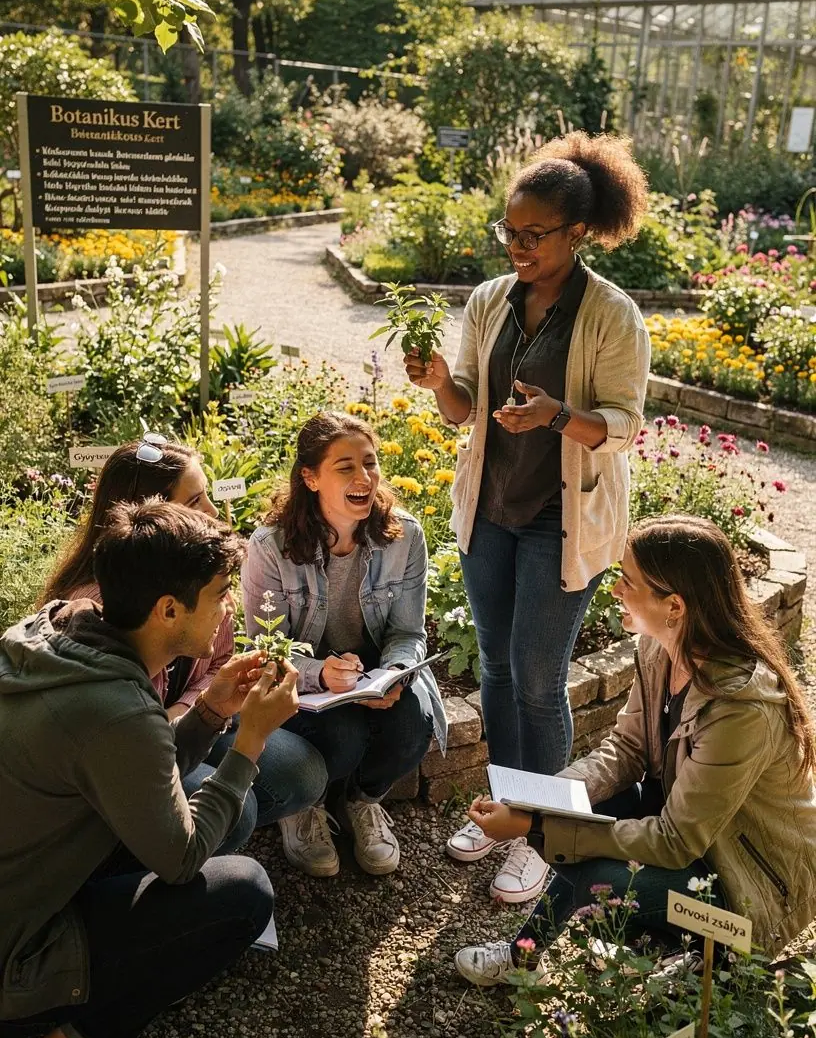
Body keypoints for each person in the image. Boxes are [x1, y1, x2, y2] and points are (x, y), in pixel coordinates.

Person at [404, 131, 651, 905]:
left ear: (578, 233)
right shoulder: (488, 301)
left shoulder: (611, 315)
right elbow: (463, 412)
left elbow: (622, 426)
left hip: (561, 519)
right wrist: (442, 381)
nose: (517, 247)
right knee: (499, 666)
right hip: (491, 512)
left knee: (541, 682)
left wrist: (554, 416)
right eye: (508, 232)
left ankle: (545, 835)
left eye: (533, 235)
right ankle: (505, 811)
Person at [0, 499, 299, 1038]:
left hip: (21, 891)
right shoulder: (116, 709)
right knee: (241, 893)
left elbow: (129, 770)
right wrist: (249, 741)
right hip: (12, 962)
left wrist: (212, 711)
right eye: (219, 596)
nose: (227, 612)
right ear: (168, 609)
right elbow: (182, 858)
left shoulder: (58, 633)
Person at [454, 515, 816, 985]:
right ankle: (524, 960)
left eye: (629, 581)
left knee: (596, 886)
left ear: (675, 606)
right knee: (586, 812)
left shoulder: (740, 707)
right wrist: (539, 798)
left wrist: (534, 825)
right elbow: (625, 749)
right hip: (698, 838)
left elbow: (675, 840)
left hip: (749, 888)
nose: (616, 589)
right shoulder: (659, 650)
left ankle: (718, 962)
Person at [42, 436, 328, 850]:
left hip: (185, 725)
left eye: (209, 496)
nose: (213, 514)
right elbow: (129, 744)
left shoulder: (200, 580)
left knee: (303, 772)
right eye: (194, 503)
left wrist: (194, 709)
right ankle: (149, 858)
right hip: (126, 761)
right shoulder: (98, 613)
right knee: (233, 814)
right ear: (148, 520)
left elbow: (219, 659)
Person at [242, 412, 446, 878]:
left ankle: (363, 802)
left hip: (372, 673)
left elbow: (407, 633)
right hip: (305, 678)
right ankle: (305, 806)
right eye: (345, 467)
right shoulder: (269, 547)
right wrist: (318, 673)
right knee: (342, 734)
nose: (364, 478)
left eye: (370, 463)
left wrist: (395, 673)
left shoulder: (405, 536)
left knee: (413, 721)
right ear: (310, 478)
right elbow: (266, 647)